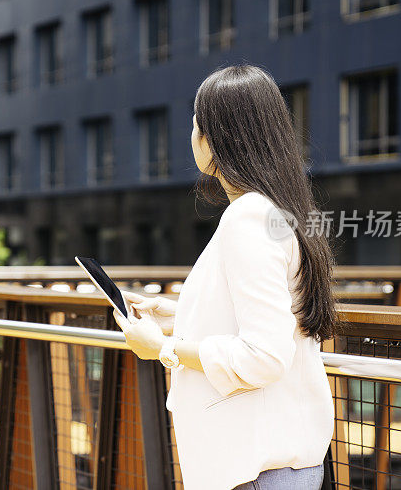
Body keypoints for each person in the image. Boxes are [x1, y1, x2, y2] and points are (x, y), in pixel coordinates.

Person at [117, 64, 339, 490]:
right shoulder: (276, 209)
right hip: (278, 464)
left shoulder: (248, 217)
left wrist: (164, 348)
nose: (193, 135)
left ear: (215, 139)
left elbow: (265, 355)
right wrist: (179, 312)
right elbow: (270, 315)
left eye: (196, 125)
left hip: (256, 471)